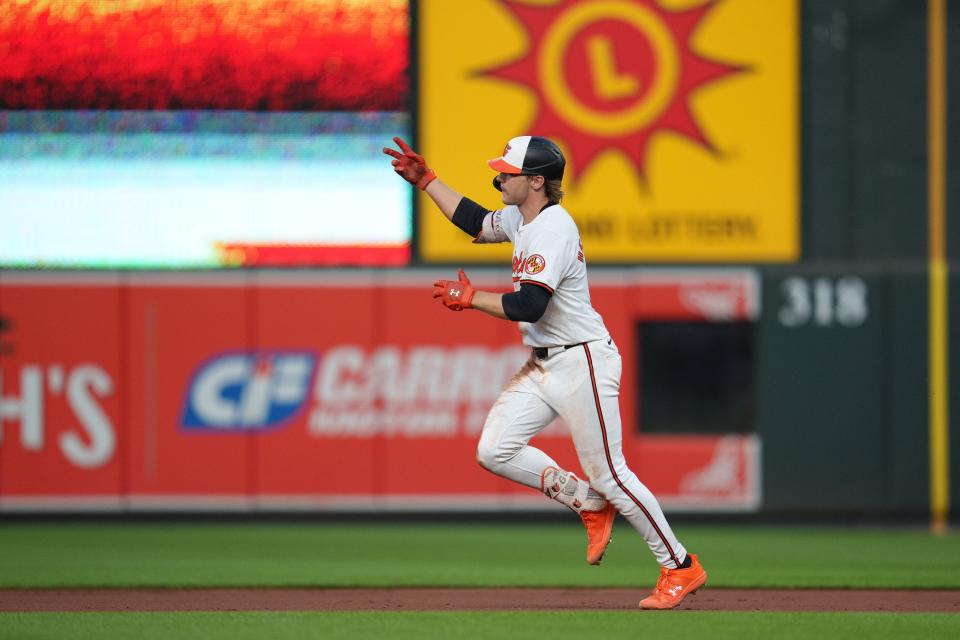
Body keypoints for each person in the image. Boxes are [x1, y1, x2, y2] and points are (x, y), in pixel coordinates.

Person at [383, 135, 707, 610]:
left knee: (612, 474)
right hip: (545, 362)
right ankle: (587, 503)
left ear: (536, 181)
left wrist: (473, 299)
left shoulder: (554, 227)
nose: (499, 178)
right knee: (495, 449)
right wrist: (427, 181)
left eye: (507, 173)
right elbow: (473, 219)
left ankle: (680, 566)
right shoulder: (522, 217)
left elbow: (530, 304)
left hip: (583, 360)